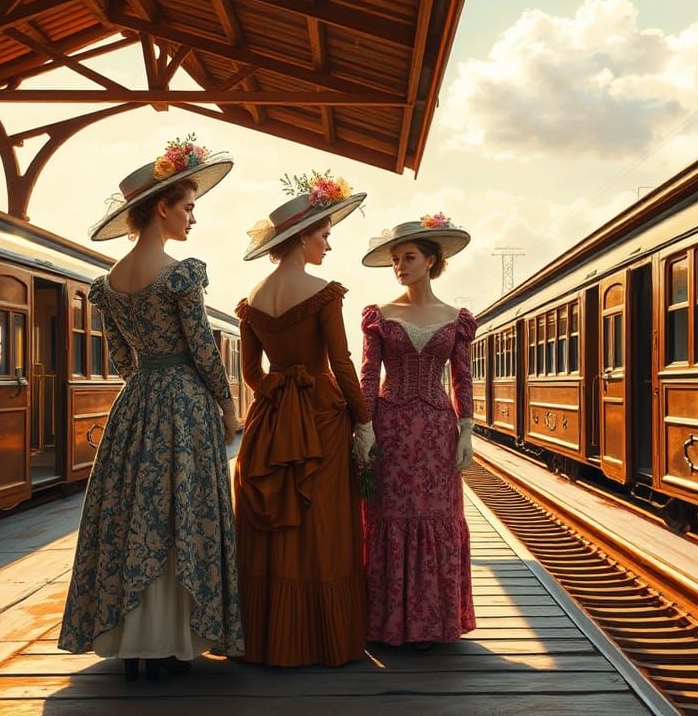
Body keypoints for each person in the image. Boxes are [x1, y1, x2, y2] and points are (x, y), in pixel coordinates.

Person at [58, 137, 244, 681]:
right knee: (182, 513)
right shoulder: (179, 273)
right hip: (184, 404)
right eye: (188, 206)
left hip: (136, 404)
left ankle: (133, 644)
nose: (193, 217)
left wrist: (148, 381)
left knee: (133, 516)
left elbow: (123, 360)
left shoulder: (108, 285)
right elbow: (204, 351)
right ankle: (171, 642)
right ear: (162, 207)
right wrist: (228, 409)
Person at [234, 172, 374, 666]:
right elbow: (341, 362)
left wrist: (278, 393)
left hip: (270, 418)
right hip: (322, 416)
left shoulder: (251, 298)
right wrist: (364, 420)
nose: (328, 245)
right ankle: (322, 639)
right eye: (324, 234)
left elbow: (252, 372)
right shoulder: (323, 293)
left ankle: (269, 638)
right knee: (323, 524)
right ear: (302, 237)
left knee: (271, 523)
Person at [359, 212, 477, 648]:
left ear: (431, 260)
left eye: (408, 257)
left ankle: (432, 623)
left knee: (439, 518)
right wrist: (365, 428)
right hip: (391, 428)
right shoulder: (379, 315)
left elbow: (462, 379)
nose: (399, 266)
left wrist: (466, 429)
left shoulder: (457, 318)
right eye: (395, 259)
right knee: (389, 517)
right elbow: (369, 375)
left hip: (437, 431)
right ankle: (390, 623)